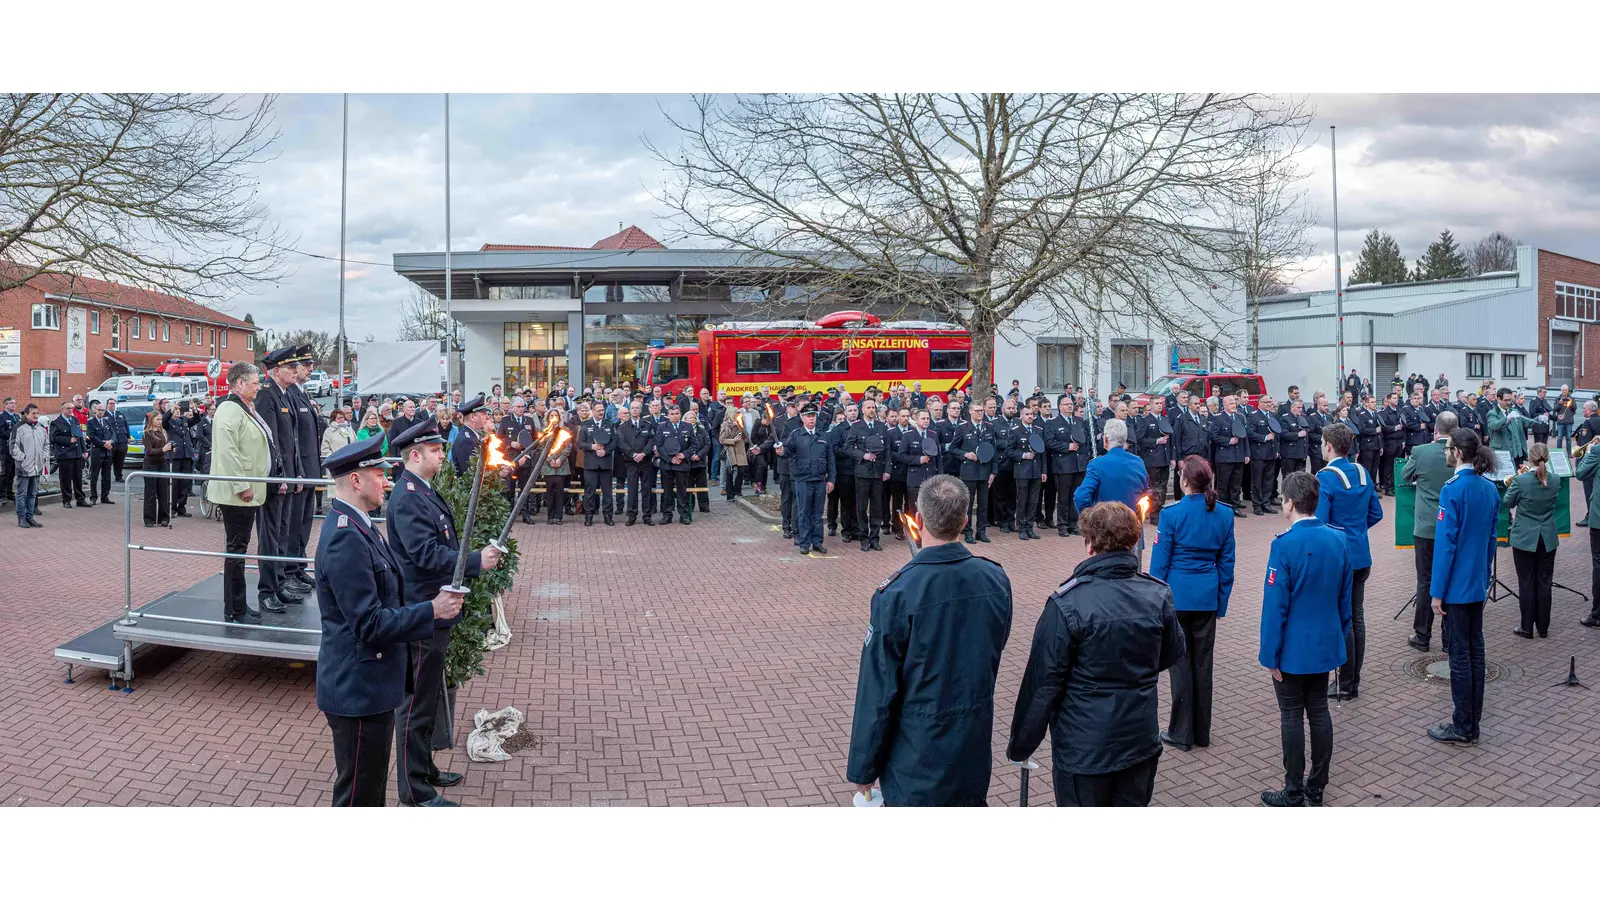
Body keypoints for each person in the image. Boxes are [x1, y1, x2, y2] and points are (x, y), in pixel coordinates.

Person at [314, 435, 464, 806]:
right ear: (356, 480)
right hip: (359, 690)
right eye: (379, 474)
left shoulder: (361, 525)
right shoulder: (345, 537)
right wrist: (432, 610)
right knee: (360, 797)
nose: (387, 481)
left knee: (370, 791)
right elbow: (368, 623)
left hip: (372, 685)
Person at [845, 475, 1012, 806]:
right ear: (965, 522)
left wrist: (863, 766)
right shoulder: (995, 579)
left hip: (916, 753)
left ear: (919, 521)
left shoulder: (897, 593)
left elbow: (877, 689)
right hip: (972, 746)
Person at [1007, 502, 1185, 806]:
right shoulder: (1157, 594)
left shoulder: (1067, 602)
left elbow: (1043, 684)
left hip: (1085, 748)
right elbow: (1171, 653)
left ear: (1090, 544)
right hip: (1138, 739)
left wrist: (1021, 745)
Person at [386, 419, 503, 807]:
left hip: (435, 610)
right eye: (435, 450)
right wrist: (475, 560)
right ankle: (414, 791)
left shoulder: (422, 488)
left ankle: (425, 769)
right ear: (414, 455)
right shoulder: (408, 496)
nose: (442, 454)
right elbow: (425, 554)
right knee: (415, 704)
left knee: (429, 696)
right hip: (424, 610)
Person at [1259, 472, 1352, 806]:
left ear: (1290, 504)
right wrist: (1338, 636)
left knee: (1291, 715)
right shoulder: (1338, 539)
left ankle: (1294, 790)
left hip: (1292, 649)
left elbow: (1275, 607)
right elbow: (1345, 600)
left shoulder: (1283, 545)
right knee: (1319, 711)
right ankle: (1317, 786)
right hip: (1324, 642)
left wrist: (1270, 655)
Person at [1150, 456, 1235, 752]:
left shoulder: (1172, 514)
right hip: (1207, 596)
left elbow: (1159, 565)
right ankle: (1201, 731)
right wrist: (1221, 602)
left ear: (1184, 481)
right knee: (1203, 665)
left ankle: (1181, 731)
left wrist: (1155, 602)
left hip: (1177, 597)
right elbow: (1227, 564)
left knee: (1180, 666)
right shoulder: (1224, 513)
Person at [1428, 428, 1501, 744]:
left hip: (1456, 586)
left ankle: (1463, 725)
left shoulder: (1453, 490)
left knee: (1459, 656)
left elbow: (1446, 546)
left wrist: (1437, 591)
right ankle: (1472, 723)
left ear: (1457, 452)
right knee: (1476, 652)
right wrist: (1484, 574)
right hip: (1476, 581)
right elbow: (1491, 540)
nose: (1446, 452)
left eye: (1448, 448)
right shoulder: (1489, 488)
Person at [1315, 423, 1383, 700]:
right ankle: (1352, 681)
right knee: (1357, 617)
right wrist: (1356, 532)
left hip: (1339, 558)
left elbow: (1320, 522)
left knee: (1344, 620)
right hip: (1361, 554)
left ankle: (1344, 684)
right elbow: (1376, 513)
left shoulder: (1325, 477)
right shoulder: (1362, 471)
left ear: (1329, 446)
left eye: (1322, 443)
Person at [207, 363, 274, 622]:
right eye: (255, 382)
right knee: (236, 549)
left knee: (240, 549)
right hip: (237, 494)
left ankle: (239, 605)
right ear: (239, 383)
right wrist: (242, 485)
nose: (259, 387)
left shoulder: (244, 408)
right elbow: (228, 451)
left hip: (247, 490)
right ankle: (234, 609)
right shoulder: (229, 409)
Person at [1401, 411, 1458, 651]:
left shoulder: (1421, 451)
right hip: (1453, 526)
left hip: (1426, 527)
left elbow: (1405, 475)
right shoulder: (1461, 452)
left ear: (1435, 430)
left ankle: (1422, 636)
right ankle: (1449, 639)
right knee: (1451, 580)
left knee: (1425, 581)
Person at [255, 347, 306, 611]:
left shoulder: (284, 394)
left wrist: (297, 471)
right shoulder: (267, 395)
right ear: (276, 371)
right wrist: (279, 475)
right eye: (290, 367)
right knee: (270, 535)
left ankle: (279, 583)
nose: (295, 371)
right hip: (275, 480)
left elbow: (292, 442)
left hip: (287, 475)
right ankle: (267, 590)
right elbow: (270, 439)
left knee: (283, 533)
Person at [1505, 442, 1559, 639]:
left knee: (1526, 582)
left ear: (1530, 457)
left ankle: (1526, 627)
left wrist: (1517, 478)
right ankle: (1543, 627)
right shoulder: (1555, 479)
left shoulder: (1521, 480)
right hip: (1547, 536)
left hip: (1525, 537)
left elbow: (1508, 502)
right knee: (1544, 582)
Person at [1074, 419, 1151, 549]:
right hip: (1132, 530)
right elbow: (1146, 493)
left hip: (1106, 531)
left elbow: (1081, 497)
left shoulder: (1097, 464)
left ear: (1105, 439)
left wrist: (1089, 519)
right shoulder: (1138, 462)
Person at [777, 403, 835, 555]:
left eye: (813, 416)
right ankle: (804, 542)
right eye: (808, 416)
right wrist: (781, 451)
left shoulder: (823, 435)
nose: (811, 419)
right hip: (803, 480)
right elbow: (787, 451)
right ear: (802, 418)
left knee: (818, 513)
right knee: (804, 512)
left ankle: (817, 542)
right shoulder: (796, 435)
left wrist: (831, 479)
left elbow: (830, 459)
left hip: (819, 480)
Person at [955, 402, 995, 544]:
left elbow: (993, 451)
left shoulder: (989, 427)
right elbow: (953, 448)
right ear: (970, 411)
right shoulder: (962, 428)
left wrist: (993, 472)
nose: (980, 413)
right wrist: (965, 454)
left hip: (984, 471)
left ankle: (981, 532)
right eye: (977, 410)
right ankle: (967, 532)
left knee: (983, 504)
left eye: (981, 410)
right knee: (968, 504)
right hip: (969, 471)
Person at [1208, 394, 1249, 516]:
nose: (1234, 405)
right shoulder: (1218, 418)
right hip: (1225, 456)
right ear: (1225, 405)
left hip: (1238, 455)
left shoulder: (1240, 417)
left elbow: (1244, 437)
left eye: (1234, 403)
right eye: (1231, 403)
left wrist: (1246, 453)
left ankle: (1234, 506)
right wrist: (1228, 441)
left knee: (1236, 483)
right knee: (1223, 484)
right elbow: (1213, 436)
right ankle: (1222, 506)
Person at [579, 402, 617, 526]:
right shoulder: (585, 424)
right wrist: (592, 447)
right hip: (591, 464)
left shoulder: (609, 423)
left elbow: (614, 441)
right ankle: (588, 517)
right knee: (589, 492)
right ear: (593, 411)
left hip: (605, 464)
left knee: (607, 492)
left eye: (602, 410)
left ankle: (608, 516)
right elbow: (580, 443)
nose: (601, 412)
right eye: (598, 410)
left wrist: (606, 451)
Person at [10, 404, 48, 528]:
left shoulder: (41, 428)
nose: (36, 415)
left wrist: (44, 457)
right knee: (21, 494)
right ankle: (21, 518)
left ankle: (30, 517)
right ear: (26, 415)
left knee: (32, 494)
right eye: (33, 413)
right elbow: (13, 447)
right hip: (24, 467)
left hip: (37, 467)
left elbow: (46, 444)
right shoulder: (19, 428)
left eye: (37, 413)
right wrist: (23, 458)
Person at [49, 401, 90, 509]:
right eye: (68, 408)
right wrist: (68, 440)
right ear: (62, 409)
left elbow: (80, 436)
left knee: (78, 478)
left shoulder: (75, 420)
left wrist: (84, 450)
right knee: (65, 479)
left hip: (76, 453)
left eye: (71, 408)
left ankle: (80, 499)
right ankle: (66, 500)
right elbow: (53, 438)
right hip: (65, 454)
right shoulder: (56, 422)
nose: (70, 410)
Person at [140, 410, 172, 527]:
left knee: (163, 491)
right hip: (150, 464)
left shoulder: (163, 432)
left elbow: (165, 447)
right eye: (157, 419)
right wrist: (162, 450)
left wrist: (170, 448)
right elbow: (149, 451)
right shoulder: (147, 433)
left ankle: (164, 517)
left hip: (162, 463)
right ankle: (149, 519)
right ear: (151, 420)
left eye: (160, 420)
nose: (159, 422)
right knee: (150, 492)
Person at [1487, 387, 1527, 468]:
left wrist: (1538, 420)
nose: (1509, 403)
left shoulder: (1513, 411)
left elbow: (1526, 421)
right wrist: (1507, 418)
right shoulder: (1492, 413)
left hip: (1516, 453)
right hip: (1501, 453)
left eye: (1510, 400)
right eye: (1506, 400)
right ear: (1498, 399)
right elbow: (1494, 426)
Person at [718, 399, 749, 501]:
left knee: (741, 471)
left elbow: (746, 436)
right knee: (730, 472)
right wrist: (733, 440)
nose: (737, 415)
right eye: (735, 413)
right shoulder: (725, 424)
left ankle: (738, 491)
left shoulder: (740, 423)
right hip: (730, 450)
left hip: (740, 449)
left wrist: (741, 428)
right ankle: (730, 495)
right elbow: (722, 439)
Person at [86, 400, 115, 505]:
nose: (101, 412)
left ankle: (105, 496)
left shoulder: (107, 421)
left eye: (102, 410)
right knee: (94, 476)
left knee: (107, 476)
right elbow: (91, 436)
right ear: (95, 411)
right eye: (99, 410)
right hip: (97, 453)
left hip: (107, 453)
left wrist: (111, 441)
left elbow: (113, 434)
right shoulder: (90, 422)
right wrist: (103, 444)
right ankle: (93, 497)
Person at [0, 397, 16, 505]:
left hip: (15, 449)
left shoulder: (16, 417)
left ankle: (10, 493)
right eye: (11, 403)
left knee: (12, 472)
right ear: (5, 405)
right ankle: (2, 494)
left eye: (14, 403)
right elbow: (1, 431)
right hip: (5, 448)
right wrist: (13, 436)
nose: (13, 405)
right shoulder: (2, 416)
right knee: (5, 472)